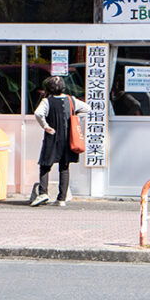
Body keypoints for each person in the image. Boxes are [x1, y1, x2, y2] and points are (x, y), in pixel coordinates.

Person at [30, 76, 90, 207]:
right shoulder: (71, 100)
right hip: (68, 138)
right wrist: (76, 117)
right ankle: (61, 199)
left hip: (52, 136)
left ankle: (43, 193)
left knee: (45, 165)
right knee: (64, 167)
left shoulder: (47, 101)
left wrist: (45, 126)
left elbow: (38, 113)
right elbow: (87, 108)